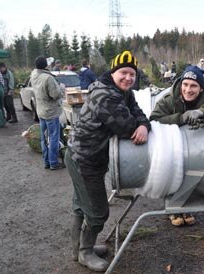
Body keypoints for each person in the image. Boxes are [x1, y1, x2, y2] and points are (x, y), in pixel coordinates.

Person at [65, 50, 150, 272]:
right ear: (113, 72)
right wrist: (139, 126)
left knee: (82, 205)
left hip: (87, 157)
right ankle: (85, 252)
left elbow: (137, 112)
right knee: (97, 211)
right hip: (83, 159)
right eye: (123, 73)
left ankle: (81, 248)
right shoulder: (105, 95)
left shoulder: (123, 92)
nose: (128, 78)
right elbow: (125, 126)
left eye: (132, 74)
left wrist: (144, 124)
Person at [150, 65, 204, 226]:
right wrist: (181, 118)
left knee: (196, 169)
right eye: (185, 85)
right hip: (173, 145)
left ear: (201, 88)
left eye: (193, 86)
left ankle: (186, 205)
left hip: (199, 144)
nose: (188, 89)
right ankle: (175, 207)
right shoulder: (169, 99)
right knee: (174, 170)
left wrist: (201, 112)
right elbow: (154, 120)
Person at [30, 56, 65, 170]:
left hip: (40, 111)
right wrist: (61, 88)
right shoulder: (47, 78)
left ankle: (46, 162)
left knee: (43, 138)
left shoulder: (34, 74)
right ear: (46, 65)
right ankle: (54, 163)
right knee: (53, 138)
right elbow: (55, 95)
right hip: (50, 112)